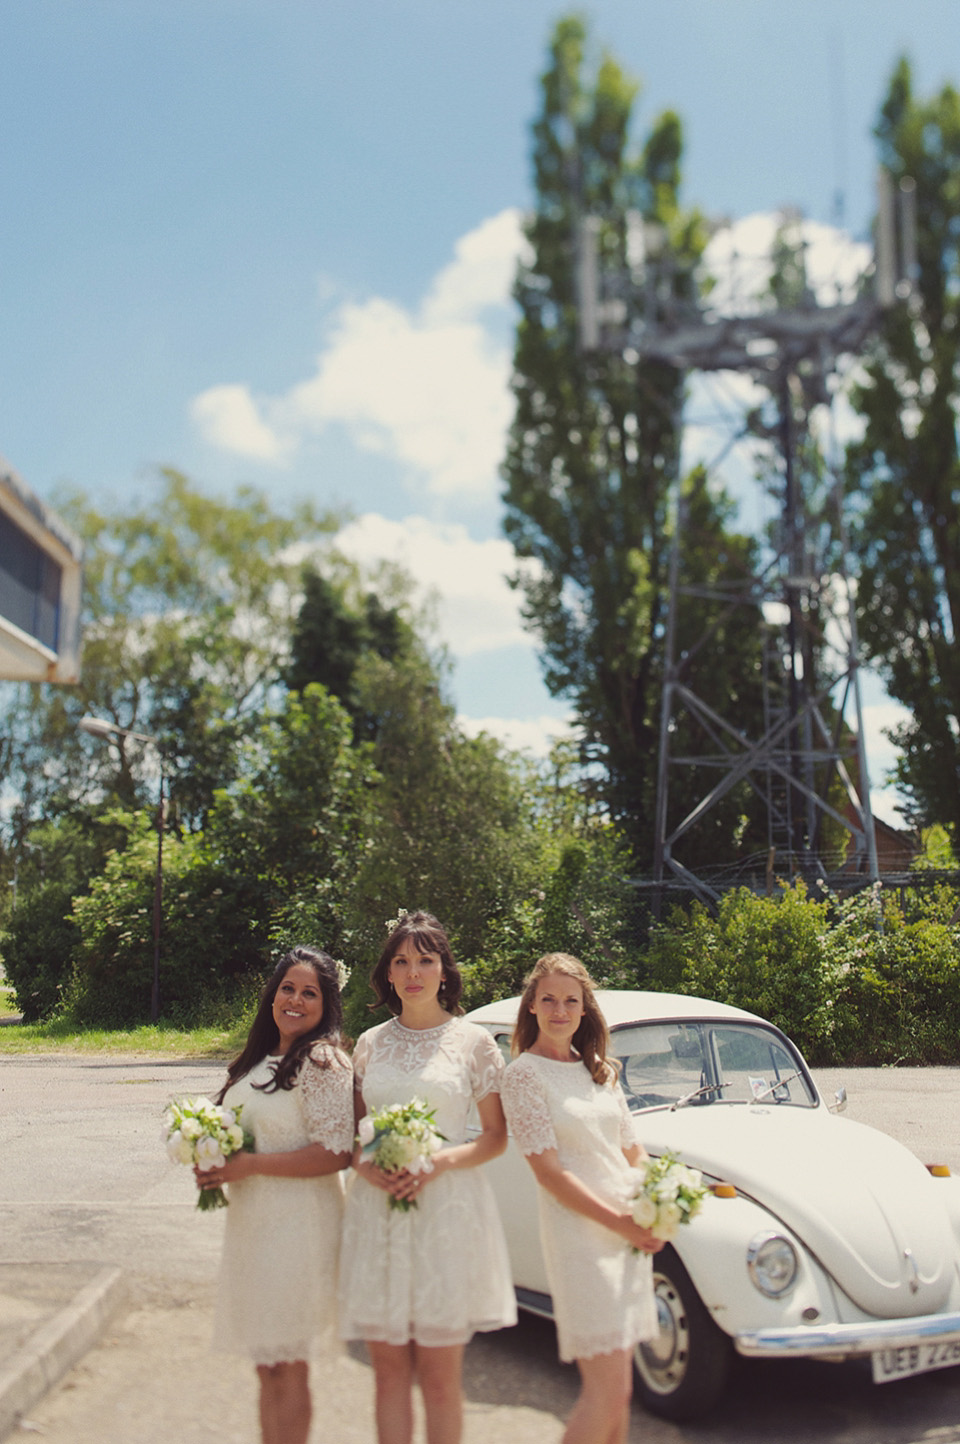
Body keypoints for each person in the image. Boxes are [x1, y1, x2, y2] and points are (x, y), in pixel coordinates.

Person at [338, 909, 516, 1444]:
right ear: (387, 975)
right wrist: (366, 1166)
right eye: (401, 961)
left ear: (444, 970)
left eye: (425, 960)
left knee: (440, 1381)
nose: (413, 971)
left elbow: (494, 1137)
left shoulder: (474, 1043)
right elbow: (349, 1134)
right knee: (388, 1378)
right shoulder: (368, 1043)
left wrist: (436, 1162)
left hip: (446, 1213)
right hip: (379, 1214)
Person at [500, 953, 664, 1444]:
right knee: (606, 1393)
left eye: (570, 1001)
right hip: (581, 1236)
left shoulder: (601, 1072)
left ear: (584, 1009)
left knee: (622, 1392)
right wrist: (621, 1221)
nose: (559, 1010)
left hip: (627, 1236)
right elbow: (549, 1173)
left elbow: (634, 1152)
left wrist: (664, 1204)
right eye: (547, 999)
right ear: (531, 1006)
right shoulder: (522, 1075)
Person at [196, 946, 354, 1444]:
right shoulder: (256, 1062)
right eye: (288, 988)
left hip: (299, 1231)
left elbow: (336, 1152)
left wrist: (249, 1166)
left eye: (310, 993)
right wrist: (211, 1164)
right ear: (272, 995)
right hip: (254, 1230)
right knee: (266, 1365)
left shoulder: (324, 1061)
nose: (295, 1000)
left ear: (325, 1005)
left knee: (288, 1362)